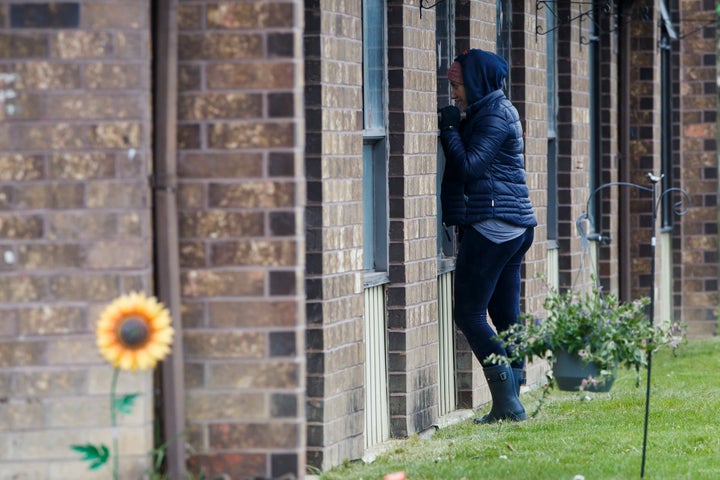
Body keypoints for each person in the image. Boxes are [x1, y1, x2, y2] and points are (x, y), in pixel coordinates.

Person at [438, 49, 537, 424]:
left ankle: (507, 401)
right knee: (503, 312)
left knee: (469, 313)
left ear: (476, 82)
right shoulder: (490, 110)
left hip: (494, 226)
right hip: (511, 226)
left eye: (457, 85)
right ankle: (515, 388)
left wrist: (449, 129)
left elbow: (469, 166)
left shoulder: (494, 114)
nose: (453, 94)